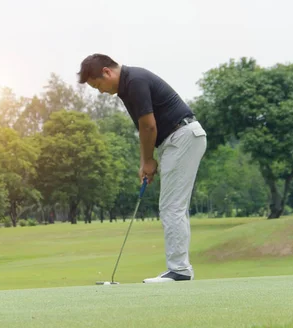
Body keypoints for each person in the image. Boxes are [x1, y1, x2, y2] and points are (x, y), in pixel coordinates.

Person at [77, 54, 207, 283]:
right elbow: (147, 127)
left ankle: (179, 270)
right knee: (174, 205)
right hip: (178, 139)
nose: (100, 91)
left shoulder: (134, 81)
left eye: (98, 85)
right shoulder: (128, 85)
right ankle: (179, 269)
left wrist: (146, 161)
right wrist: (149, 160)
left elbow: (148, 126)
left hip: (182, 136)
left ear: (107, 72)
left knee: (171, 206)